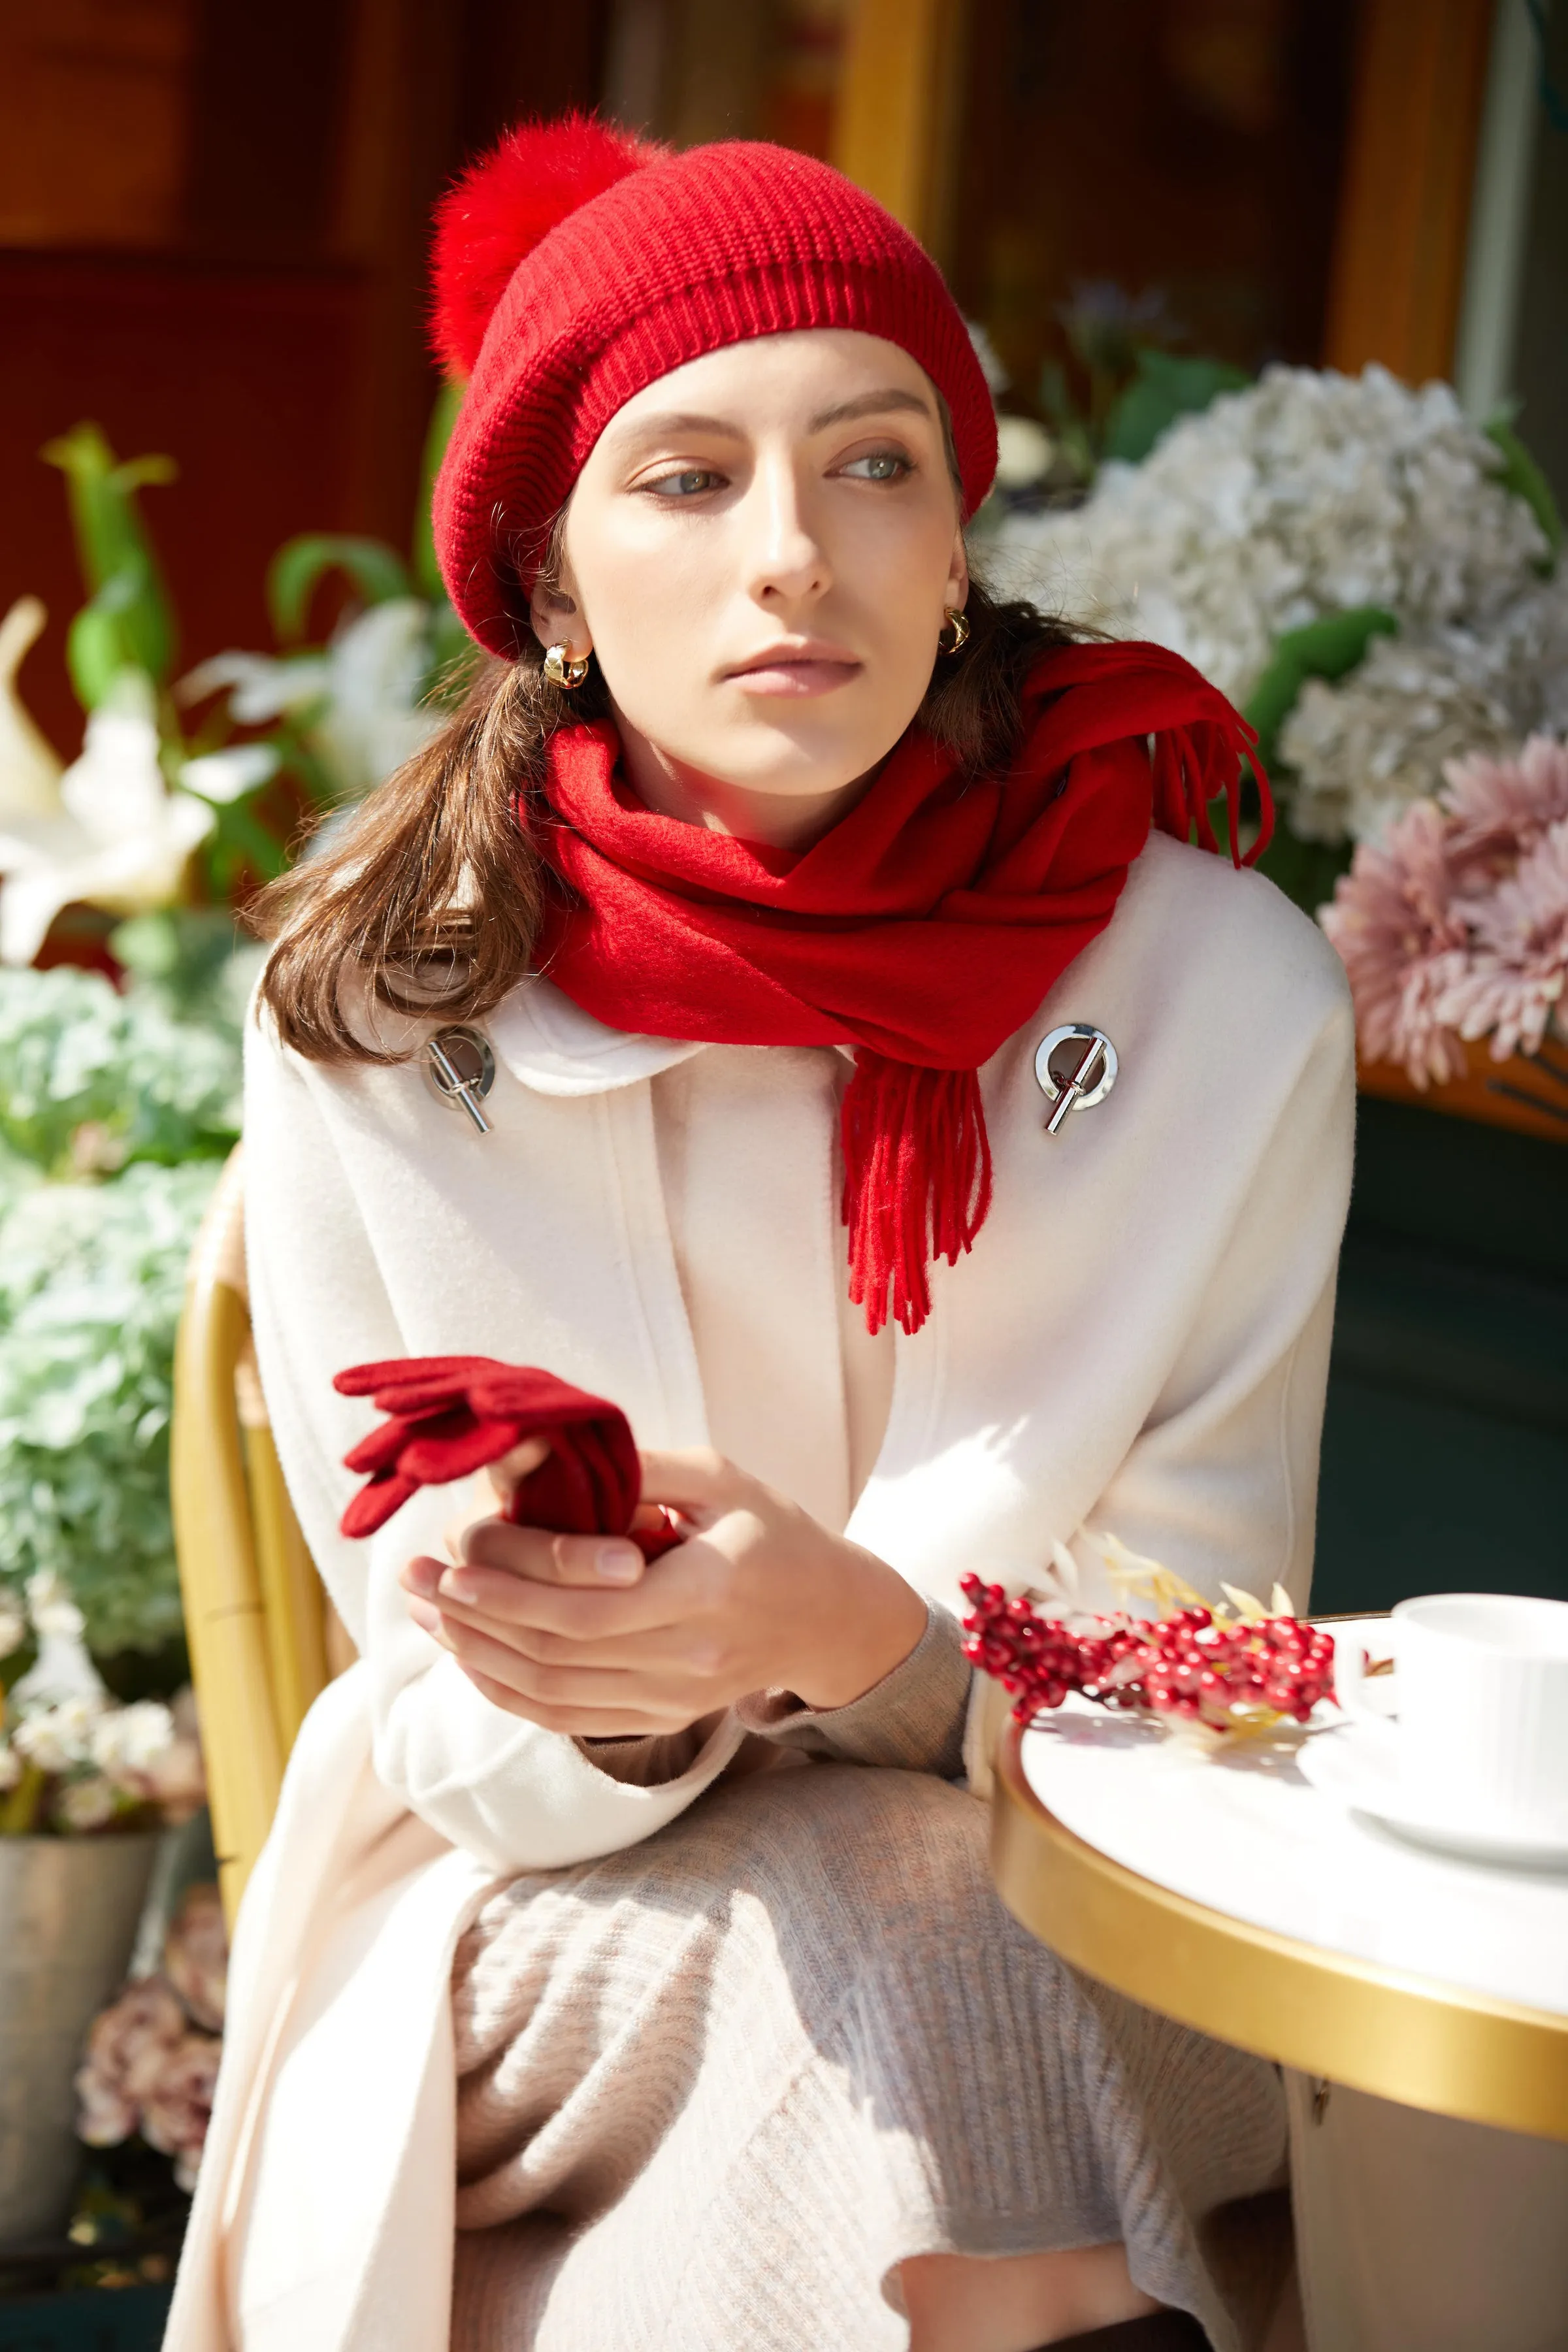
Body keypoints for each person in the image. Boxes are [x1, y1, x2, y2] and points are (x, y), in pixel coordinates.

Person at [164, 119, 1354, 2352]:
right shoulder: (388, 997)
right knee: (897, 1975)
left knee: (922, 1978)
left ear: (959, 531)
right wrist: (637, 1692)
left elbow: (1204, 1670)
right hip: (539, 1906)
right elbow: (447, 1720)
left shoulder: (1217, 993)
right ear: (543, 575)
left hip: (1095, 1898)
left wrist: (864, 1642)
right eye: (689, 477)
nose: (794, 553)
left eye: (873, 462)